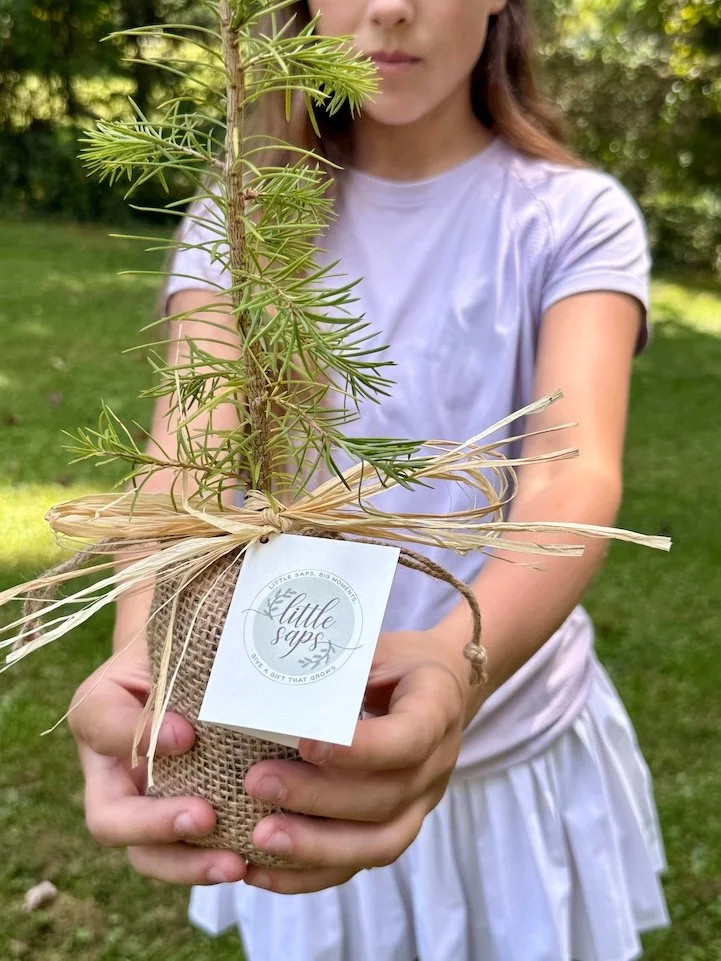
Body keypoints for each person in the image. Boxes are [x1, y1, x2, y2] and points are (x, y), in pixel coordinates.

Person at [68, 1, 670, 958]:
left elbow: (570, 473)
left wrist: (456, 663)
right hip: (289, 746)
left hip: (511, 740)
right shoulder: (245, 211)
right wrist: (149, 657)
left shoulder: (570, 216)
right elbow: (185, 457)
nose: (389, 7)